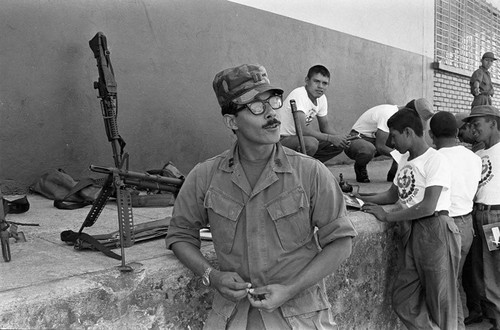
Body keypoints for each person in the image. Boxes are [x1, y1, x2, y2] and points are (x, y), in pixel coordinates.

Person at [165, 64, 357, 329]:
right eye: (256, 106)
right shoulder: (205, 176)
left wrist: (290, 289)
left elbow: (341, 242)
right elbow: (180, 235)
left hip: (299, 317)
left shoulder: (311, 172)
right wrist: (211, 275)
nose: (271, 114)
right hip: (233, 318)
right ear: (232, 121)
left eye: (272, 102)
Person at [357, 108, 461, 329]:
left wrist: (388, 216)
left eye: (393, 135)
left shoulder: (435, 160)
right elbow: (391, 194)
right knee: (404, 299)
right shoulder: (404, 159)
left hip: (435, 229)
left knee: (441, 302)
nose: (390, 141)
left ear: (408, 132)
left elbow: (428, 206)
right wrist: (358, 197)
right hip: (411, 230)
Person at [428, 111, 482, 330]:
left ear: (431, 135)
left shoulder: (435, 158)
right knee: (454, 282)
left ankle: (456, 326)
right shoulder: (474, 157)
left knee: (446, 288)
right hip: (467, 224)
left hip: (445, 225)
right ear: (457, 132)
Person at [463, 105, 500, 330]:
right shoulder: (477, 155)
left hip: (496, 218)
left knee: (495, 266)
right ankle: (486, 312)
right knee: (477, 267)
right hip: (477, 215)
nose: (473, 130)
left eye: (477, 124)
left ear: (493, 124)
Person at [344, 99, 434, 183]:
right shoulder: (388, 113)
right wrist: (401, 157)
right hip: (356, 140)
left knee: (404, 143)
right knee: (368, 149)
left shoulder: (400, 119)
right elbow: (380, 146)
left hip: (374, 140)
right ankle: (360, 167)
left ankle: (393, 174)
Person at [278, 65, 349, 163]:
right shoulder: (299, 94)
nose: (320, 86)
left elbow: (325, 127)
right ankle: (299, 169)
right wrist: (331, 138)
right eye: (316, 81)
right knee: (311, 143)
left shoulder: (322, 98)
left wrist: (342, 139)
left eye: (325, 83)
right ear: (307, 80)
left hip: (298, 138)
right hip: (282, 139)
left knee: (337, 145)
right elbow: (302, 130)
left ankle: (310, 166)